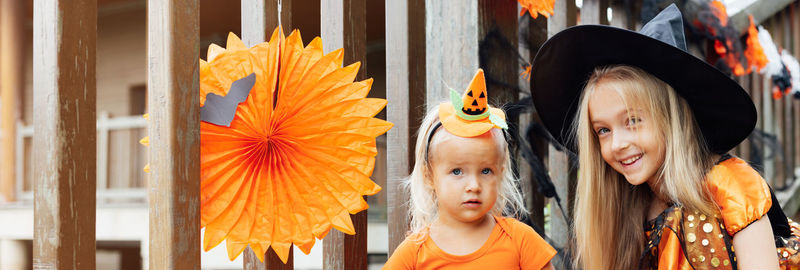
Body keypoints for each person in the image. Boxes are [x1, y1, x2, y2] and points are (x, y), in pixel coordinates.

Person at [530, 4, 796, 269]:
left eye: (632, 121)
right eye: (603, 130)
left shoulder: (729, 186)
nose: (618, 143)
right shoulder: (629, 206)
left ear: (671, 120)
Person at [383, 69, 556, 269]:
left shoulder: (521, 240)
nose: (473, 186)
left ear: (499, 174)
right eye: (457, 171)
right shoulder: (414, 252)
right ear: (429, 176)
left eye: (486, 171)